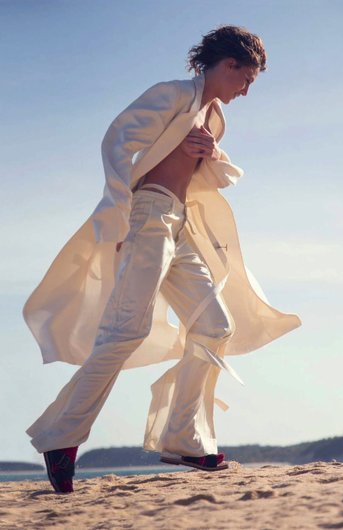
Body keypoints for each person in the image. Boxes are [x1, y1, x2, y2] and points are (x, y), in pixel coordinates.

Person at [24, 25, 301, 493]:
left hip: (180, 224)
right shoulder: (173, 93)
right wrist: (117, 216)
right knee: (125, 331)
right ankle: (61, 437)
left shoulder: (215, 118)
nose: (246, 90)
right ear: (228, 64)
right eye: (246, 79)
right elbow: (117, 140)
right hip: (147, 215)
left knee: (215, 325)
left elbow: (211, 174)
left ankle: (184, 439)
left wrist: (210, 152)